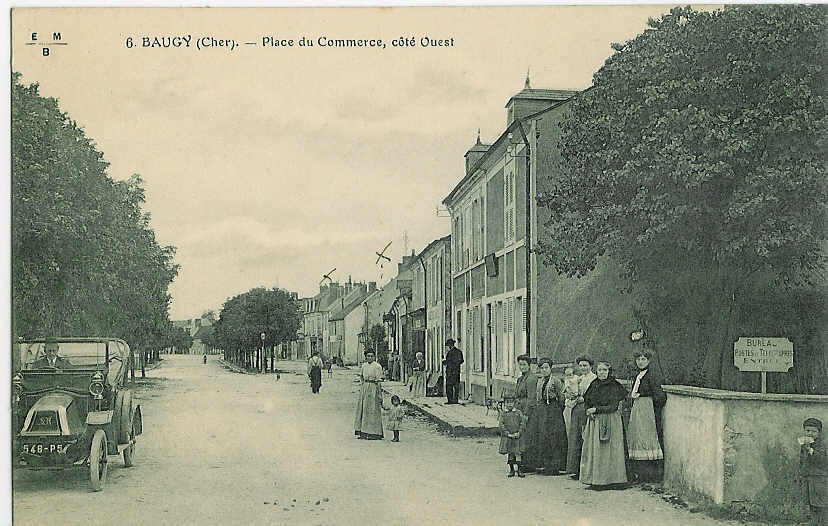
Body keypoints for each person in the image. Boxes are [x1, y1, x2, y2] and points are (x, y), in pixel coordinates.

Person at [580, 360, 628, 488]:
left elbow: (613, 406)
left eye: (604, 370)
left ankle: (612, 480)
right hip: (595, 421)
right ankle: (596, 480)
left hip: (610, 420)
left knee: (609, 451)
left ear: (609, 372)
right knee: (595, 451)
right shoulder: (594, 384)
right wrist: (588, 410)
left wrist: (596, 409)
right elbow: (587, 400)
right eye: (600, 370)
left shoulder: (614, 385)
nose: (602, 373)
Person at [626, 349, 667, 482]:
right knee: (638, 438)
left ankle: (652, 475)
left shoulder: (652, 375)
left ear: (648, 361)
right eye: (638, 359)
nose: (640, 362)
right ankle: (640, 472)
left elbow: (660, 396)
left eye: (643, 359)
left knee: (647, 439)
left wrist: (647, 401)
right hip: (638, 409)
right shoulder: (638, 375)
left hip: (648, 411)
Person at [534, 357, 569, 475]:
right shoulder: (540, 381)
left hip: (554, 410)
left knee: (555, 437)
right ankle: (546, 465)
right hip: (543, 410)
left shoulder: (556, 381)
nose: (544, 370)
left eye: (546, 368)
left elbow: (562, 397)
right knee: (544, 436)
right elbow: (538, 396)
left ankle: (556, 466)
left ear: (550, 368)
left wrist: (557, 409)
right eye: (542, 368)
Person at [566, 356, 598, 478]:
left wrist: (583, 398)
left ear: (591, 366)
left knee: (586, 437)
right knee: (576, 438)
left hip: (587, 408)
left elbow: (594, 395)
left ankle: (587, 469)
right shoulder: (578, 379)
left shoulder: (594, 378)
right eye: (581, 366)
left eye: (585, 365)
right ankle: (577, 469)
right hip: (577, 410)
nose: (583, 368)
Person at [800, 417, 827, 526]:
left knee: (822, 504)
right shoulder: (805, 445)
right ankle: (814, 522)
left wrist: (810, 450)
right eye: (807, 431)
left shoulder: (822, 445)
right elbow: (802, 459)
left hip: (821, 478)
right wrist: (802, 472)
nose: (810, 433)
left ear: (819, 433)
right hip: (809, 477)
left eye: (814, 431)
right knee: (811, 502)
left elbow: (823, 460)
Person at [514, 354, 539, 472]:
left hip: (528, 411)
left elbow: (531, 399)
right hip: (519, 410)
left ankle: (530, 464)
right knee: (522, 436)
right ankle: (522, 461)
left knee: (528, 437)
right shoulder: (520, 378)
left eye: (524, 364)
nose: (522, 367)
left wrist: (526, 414)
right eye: (520, 364)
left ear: (529, 366)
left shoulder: (531, 379)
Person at [354, 350, 384, 440]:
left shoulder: (377, 366)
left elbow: (379, 380)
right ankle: (363, 431)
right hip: (365, 388)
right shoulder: (364, 366)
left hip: (374, 387)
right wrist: (363, 385)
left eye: (371, 356)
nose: (370, 358)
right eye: (368, 356)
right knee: (363, 409)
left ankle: (374, 433)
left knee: (373, 409)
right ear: (366, 357)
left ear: (374, 357)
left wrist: (379, 393)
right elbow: (361, 377)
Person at [498, 394, 527, 478]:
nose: (509, 404)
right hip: (509, 437)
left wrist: (519, 432)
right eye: (507, 402)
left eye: (511, 402)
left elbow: (522, 423)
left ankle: (520, 469)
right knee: (510, 454)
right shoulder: (504, 413)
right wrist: (507, 433)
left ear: (514, 403)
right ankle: (511, 469)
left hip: (517, 437)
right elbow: (501, 425)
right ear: (504, 403)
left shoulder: (518, 413)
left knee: (518, 454)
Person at [443, 339, 464, 404]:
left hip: (450, 372)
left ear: (450, 345)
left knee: (449, 386)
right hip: (456, 372)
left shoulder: (450, 353)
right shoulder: (459, 351)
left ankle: (450, 400)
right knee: (456, 386)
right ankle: (455, 400)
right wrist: (456, 365)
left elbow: (448, 362)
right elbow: (461, 361)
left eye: (448, 345)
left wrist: (445, 362)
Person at [562, 366, 579, 435]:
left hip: (577, 398)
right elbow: (566, 389)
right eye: (567, 375)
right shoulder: (566, 381)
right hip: (570, 400)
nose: (569, 376)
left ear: (574, 374)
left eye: (570, 375)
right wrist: (568, 392)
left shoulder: (577, 378)